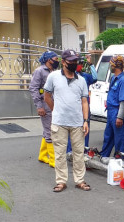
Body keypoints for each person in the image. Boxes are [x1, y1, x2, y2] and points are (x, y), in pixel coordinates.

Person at [43, 49, 91, 192]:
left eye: (75, 61)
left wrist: (86, 120)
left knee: (78, 154)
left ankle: (80, 180)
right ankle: (61, 181)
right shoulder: (53, 77)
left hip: (77, 123)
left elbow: (84, 102)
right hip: (59, 123)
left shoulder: (81, 80)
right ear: (63, 62)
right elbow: (47, 96)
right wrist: (56, 110)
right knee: (60, 154)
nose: (74, 64)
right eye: (71, 61)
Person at [29, 51, 60, 167]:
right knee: (50, 130)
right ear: (48, 60)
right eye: (55, 59)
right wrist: (39, 106)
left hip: (53, 103)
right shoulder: (39, 71)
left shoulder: (54, 72)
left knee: (47, 129)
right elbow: (33, 88)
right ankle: (53, 160)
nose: (57, 61)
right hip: (44, 104)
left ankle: (42, 155)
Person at [66, 54, 98, 159]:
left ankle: (85, 149)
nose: (79, 65)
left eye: (80, 63)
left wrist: (91, 64)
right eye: (77, 63)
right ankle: (70, 151)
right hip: (73, 107)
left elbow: (95, 78)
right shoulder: (69, 76)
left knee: (85, 129)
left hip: (84, 108)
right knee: (72, 129)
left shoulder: (85, 76)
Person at [100, 55, 124, 158]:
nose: (110, 67)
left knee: (120, 139)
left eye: (111, 65)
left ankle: (121, 160)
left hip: (117, 113)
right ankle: (104, 156)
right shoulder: (114, 78)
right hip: (111, 111)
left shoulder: (123, 81)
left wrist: (120, 117)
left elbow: (123, 101)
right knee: (108, 136)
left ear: (115, 66)